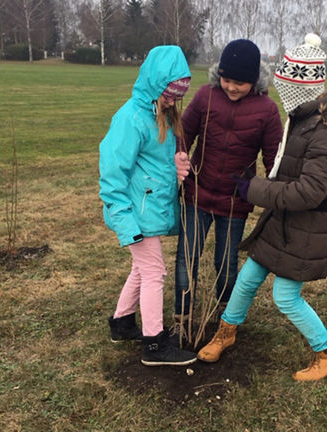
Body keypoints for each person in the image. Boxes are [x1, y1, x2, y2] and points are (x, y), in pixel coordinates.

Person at [195, 34, 327, 382]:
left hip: (307, 226)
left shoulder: (325, 132)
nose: (281, 94)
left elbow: (309, 192)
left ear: (302, 88)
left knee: (286, 296)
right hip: (285, 220)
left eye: (286, 87)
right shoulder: (304, 118)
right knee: (247, 279)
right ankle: (226, 333)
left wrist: (253, 189)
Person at [172, 39, 283, 340]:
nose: (232, 87)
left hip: (235, 203)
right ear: (218, 75)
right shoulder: (206, 96)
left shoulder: (268, 111)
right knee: (187, 257)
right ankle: (181, 320)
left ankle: (225, 320)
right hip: (197, 193)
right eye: (227, 80)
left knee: (226, 262)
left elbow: (273, 158)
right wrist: (181, 156)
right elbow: (184, 132)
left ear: (254, 81)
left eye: (240, 82)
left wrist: (271, 192)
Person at [99, 45, 197, 366]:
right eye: (169, 93)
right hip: (134, 215)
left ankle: (122, 323)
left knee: (141, 270)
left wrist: (177, 164)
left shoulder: (159, 115)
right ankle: (154, 344)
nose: (172, 100)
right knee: (155, 271)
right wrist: (126, 224)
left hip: (148, 211)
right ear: (155, 84)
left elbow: (153, 164)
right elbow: (113, 176)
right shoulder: (130, 118)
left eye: (177, 95)